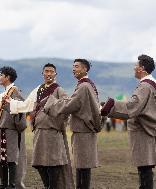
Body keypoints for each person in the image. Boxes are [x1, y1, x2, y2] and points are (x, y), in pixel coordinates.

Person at [7, 63, 74, 189]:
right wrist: (13, 101)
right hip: (39, 131)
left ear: (55, 74)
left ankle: (52, 187)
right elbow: (27, 104)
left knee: (52, 163)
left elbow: (67, 106)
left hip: (52, 131)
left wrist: (58, 122)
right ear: (42, 73)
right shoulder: (38, 89)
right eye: (46, 71)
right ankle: (48, 185)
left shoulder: (58, 89)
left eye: (51, 71)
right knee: (39, 163)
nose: (49, 74)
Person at [44, 59, 101, 189]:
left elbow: (71, 104)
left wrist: (51, 104)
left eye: (76, 67)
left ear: (85, 69)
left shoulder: (84, 86)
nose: (73, 69)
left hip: (83, 130)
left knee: (83, 166)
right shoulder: (86, 85)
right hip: (84, 130)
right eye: (73, 66)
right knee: (82, 165)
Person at [101, 54, 156, 189]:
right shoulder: (150, 85)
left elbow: (132, 106)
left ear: (141, 68)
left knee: (145, 167)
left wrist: (109, 106)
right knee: (145, 166)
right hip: (145, 131)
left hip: (143, 132)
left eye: (136, 65)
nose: (134, 68)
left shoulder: (145, 86)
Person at [0, 66, 27, 189]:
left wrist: (10, 105)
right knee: (2, 157)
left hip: (11, 129)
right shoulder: (4, 93)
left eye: (1, 75)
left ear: (7, 77)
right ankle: (3, 184)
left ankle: (11, 185)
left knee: (11, 157)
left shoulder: (15, 91)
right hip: (2, 128)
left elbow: (21, 108)